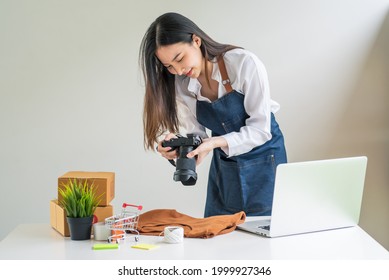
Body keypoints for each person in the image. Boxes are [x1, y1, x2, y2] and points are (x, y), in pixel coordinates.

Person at [139, 12, 287, 217]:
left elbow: (260, 130)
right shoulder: (182, 86)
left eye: (180, 58)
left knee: (266, 230)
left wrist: (215, 143)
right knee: (217, 232)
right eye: (169, 67)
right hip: (225, 166)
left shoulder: (243, 63)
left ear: (196, 41)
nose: (179, 70)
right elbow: (199, 136)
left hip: (265, 159)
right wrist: (182, 146)